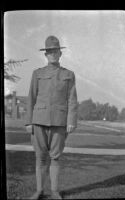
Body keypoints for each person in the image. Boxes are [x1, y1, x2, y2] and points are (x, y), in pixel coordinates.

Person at [25, 35, 78, 200]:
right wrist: (28, 121)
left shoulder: (69, 74)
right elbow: (31, 98)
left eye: (55, 51)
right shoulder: (37, 73)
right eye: (49, 52)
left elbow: (72, 99)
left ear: (60, 54)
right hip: (39, 121)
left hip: (59, 122)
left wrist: (71, 121)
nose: (53, 54)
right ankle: (39, 191)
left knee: (55, 157)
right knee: (40, 157)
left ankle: (55, 191)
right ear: (45, 54)